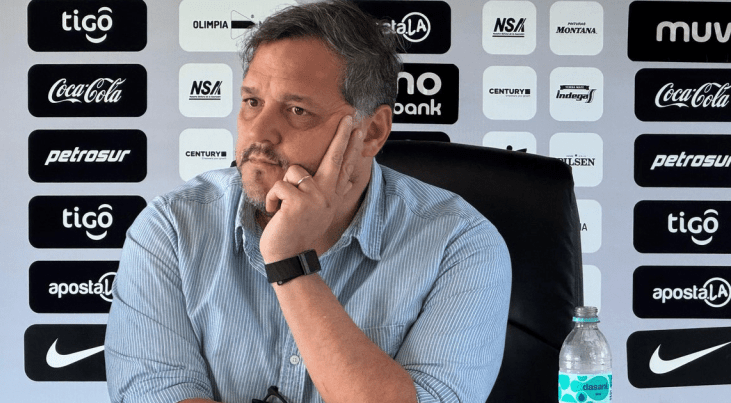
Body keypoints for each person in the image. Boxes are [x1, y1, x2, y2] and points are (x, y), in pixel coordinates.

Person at [105, 1, 511, 402]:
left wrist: (290, 262)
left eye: (297, 110)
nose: (259, 133)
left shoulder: (459, 244)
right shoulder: (172, 227)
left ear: (372, 131)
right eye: (252, 102)